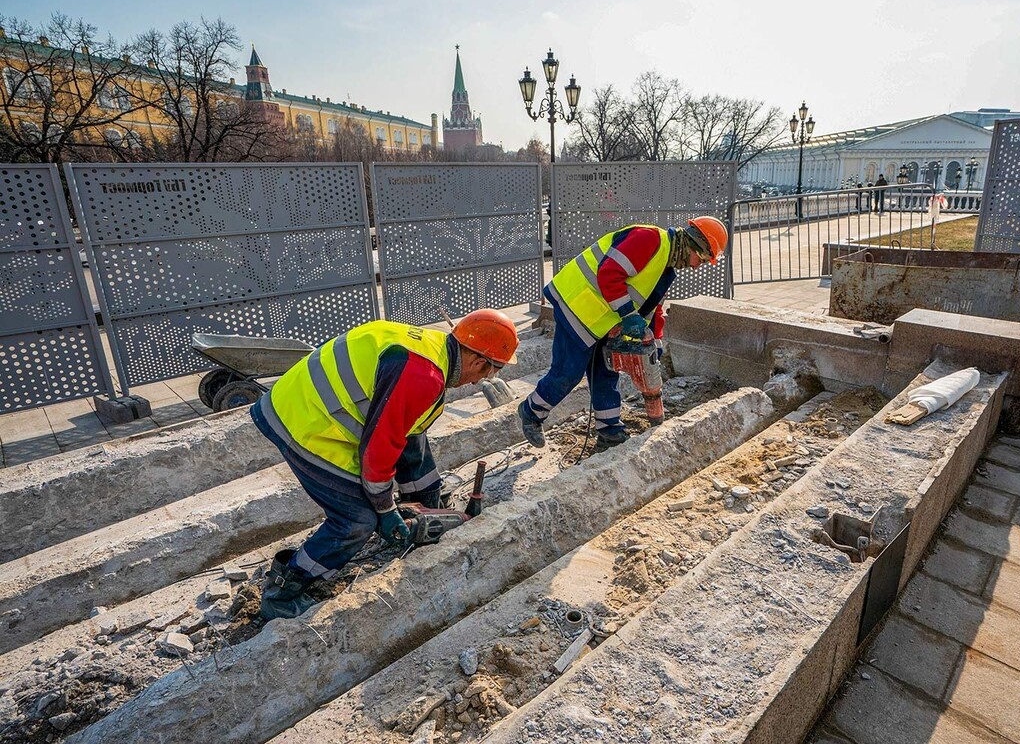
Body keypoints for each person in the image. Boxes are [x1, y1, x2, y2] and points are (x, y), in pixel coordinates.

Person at [249, 309, 520, 620]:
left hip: (303, 403)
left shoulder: (432, 351)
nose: (480, 382)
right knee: (357, 521)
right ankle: (283, 591)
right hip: (305, 424)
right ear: (477, 361)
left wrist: (429, 501)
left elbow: (410, 438)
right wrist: (385, 510)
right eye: (488, 373)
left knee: (398, 474)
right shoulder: (423, 376)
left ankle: (417, 505)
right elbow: (380, 449)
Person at [517, 217, 729, 450]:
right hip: (577, 306)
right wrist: (628, 315)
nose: (697, 266)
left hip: (604, 319)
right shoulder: (649, 240)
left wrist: (654, 341)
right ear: (692, 245)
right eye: (700, 259)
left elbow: (652, 308)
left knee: (607, 372)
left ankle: (609, 432)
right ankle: (531, 412)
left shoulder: (666, 270)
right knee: (569, 372)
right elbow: (609, 273)